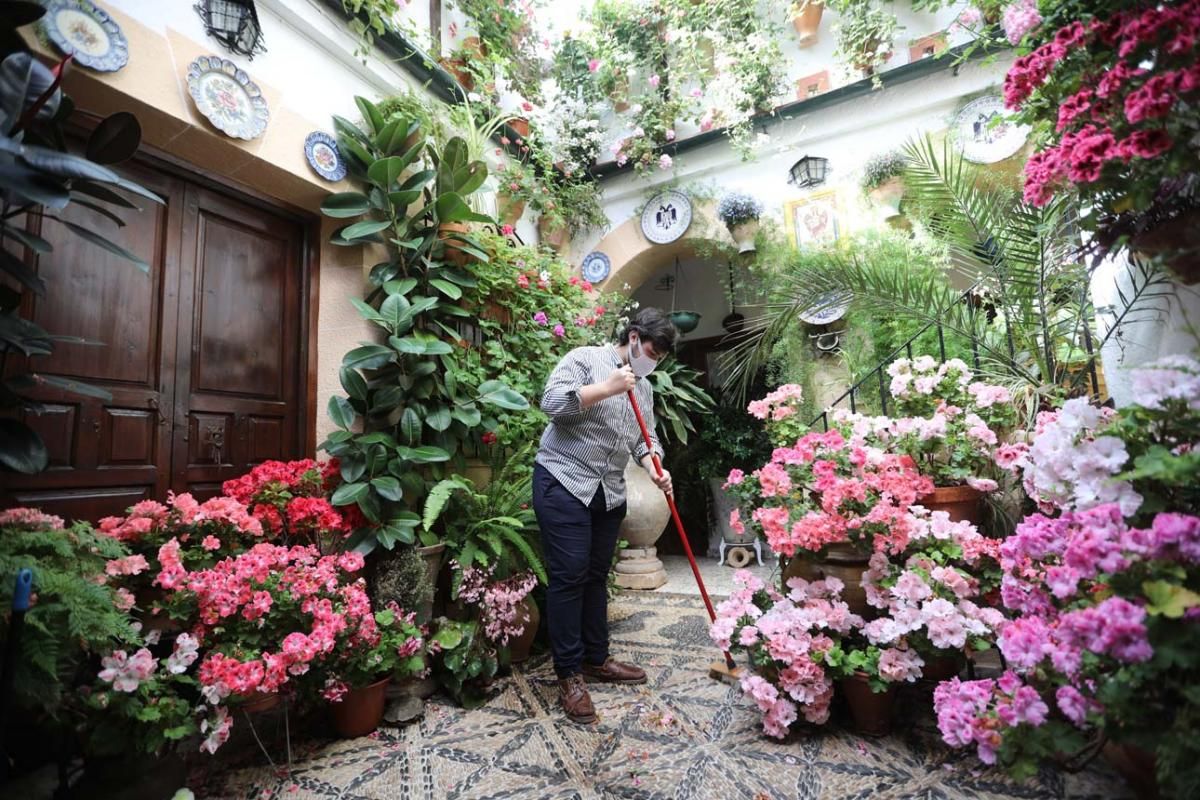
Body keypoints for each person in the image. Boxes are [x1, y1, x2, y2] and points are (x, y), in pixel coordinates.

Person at [532, 307, 678, 723]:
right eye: (652, 350)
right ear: (633, 337)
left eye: (661, 357)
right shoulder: (583, 359)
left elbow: (644, 441)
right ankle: (568, 674)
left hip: (608, 492)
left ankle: (597, 659)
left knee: (597, 576)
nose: (654, 360)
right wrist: (606, 387)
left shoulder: (645, 388)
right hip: (563, 481)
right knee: (569, 576)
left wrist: (655, 466)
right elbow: (551, 404)